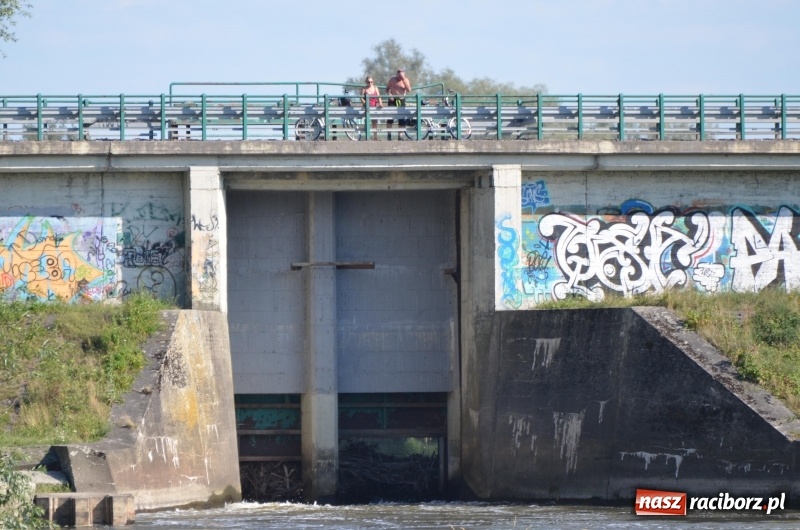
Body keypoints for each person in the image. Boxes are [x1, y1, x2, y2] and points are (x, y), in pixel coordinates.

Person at [386, 68, 412, 140]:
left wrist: (403, 79)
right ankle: (389, 134)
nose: (399, 75)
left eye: (401, 73)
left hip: (400, 100)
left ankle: (400, 136)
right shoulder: (392, 80)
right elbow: (387, 88)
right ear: (396, 73)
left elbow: (409, 90)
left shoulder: (405, 80)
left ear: (404, 73)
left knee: (401, 119)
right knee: (390, 118)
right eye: (398, 73)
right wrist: (389, 94)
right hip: (392, 100)